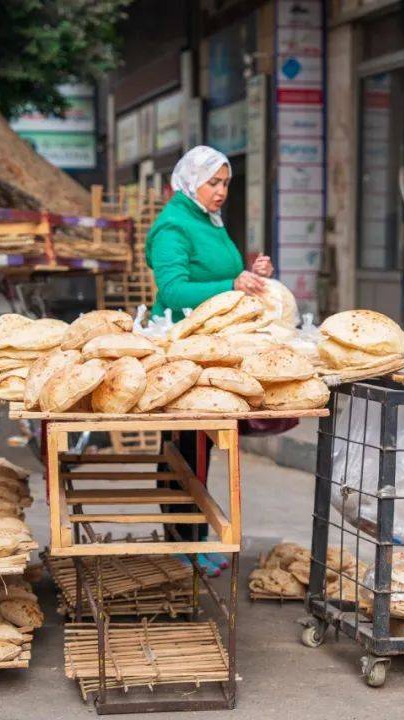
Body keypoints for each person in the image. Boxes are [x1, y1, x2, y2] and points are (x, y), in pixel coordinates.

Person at [146, 145, 274, 575]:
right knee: (182, 449)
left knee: (200, 449)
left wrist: (251, 274)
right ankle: (180, 545)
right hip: (178, 353)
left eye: (226, 184)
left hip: (207, 351)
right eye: (213, 183)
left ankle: (195, 539)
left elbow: (221, 274)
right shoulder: (173, 227)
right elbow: (175, 291)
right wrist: (232, 284)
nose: (221, 192)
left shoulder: (208, 220)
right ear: (189, 180)